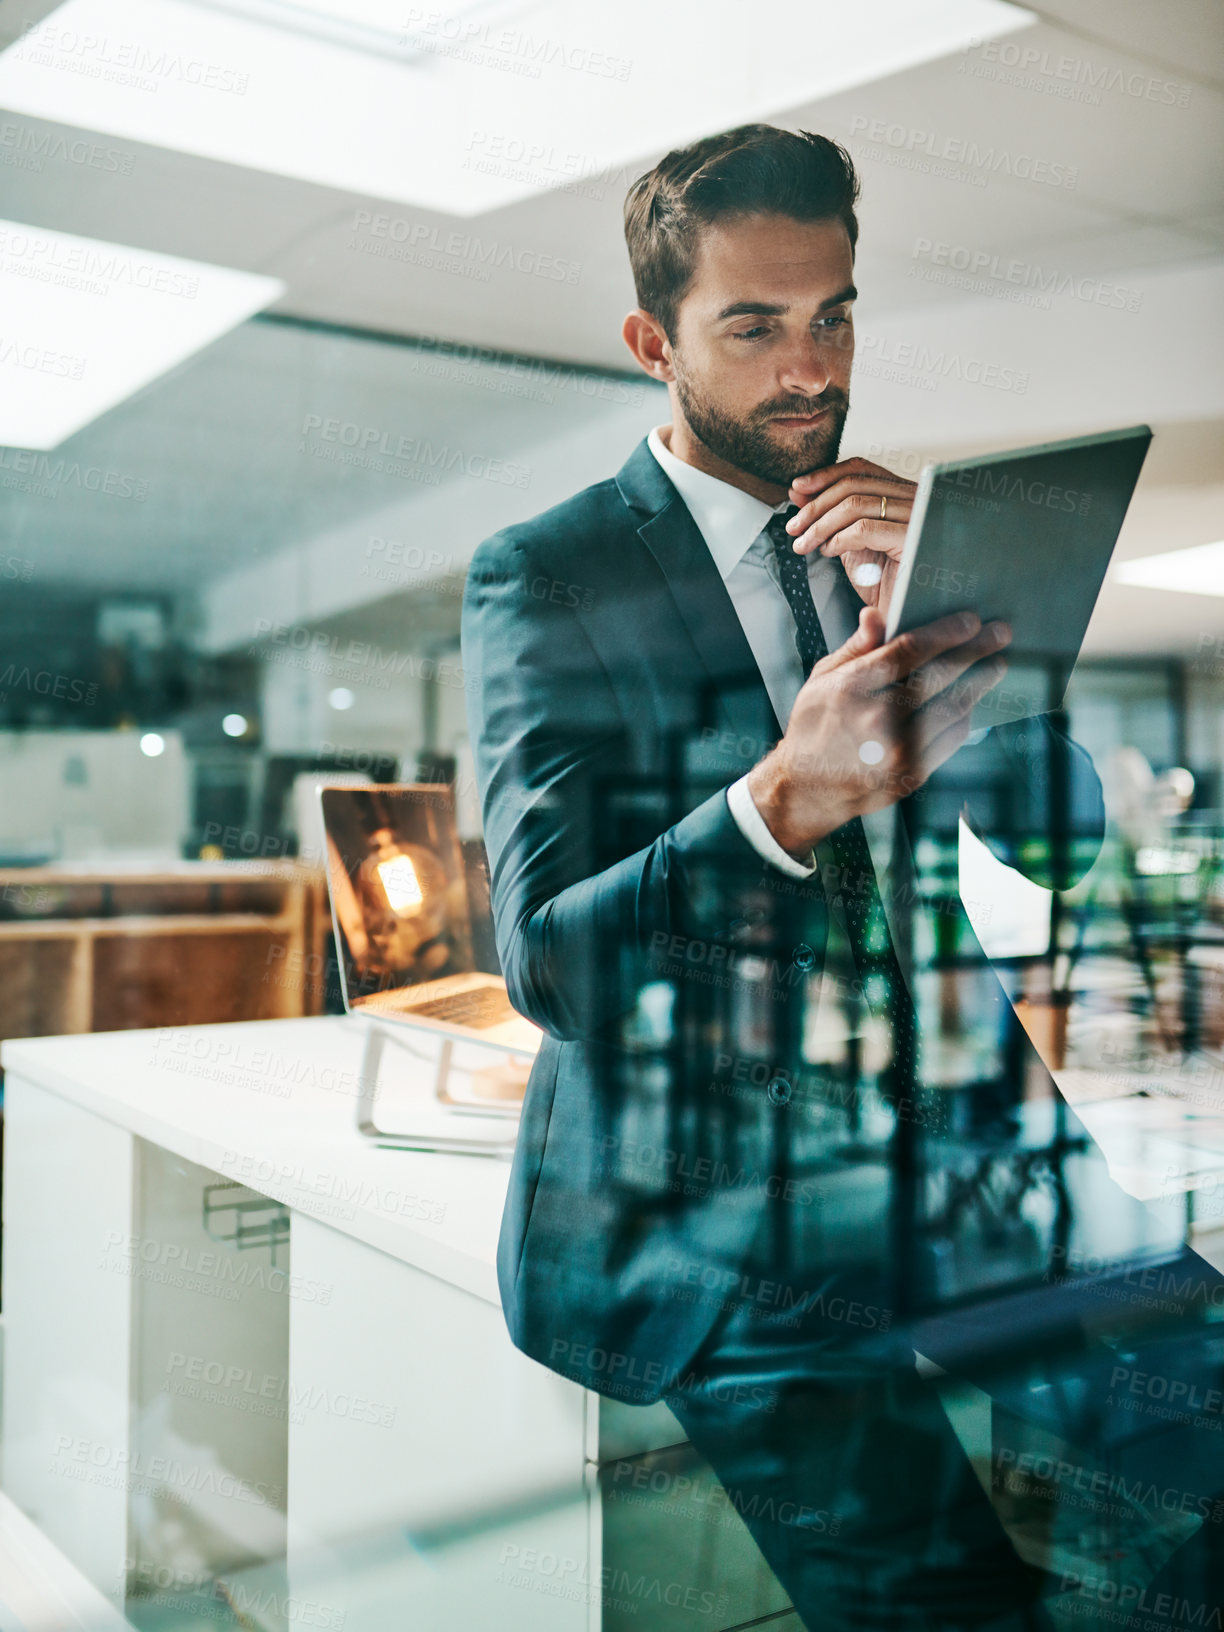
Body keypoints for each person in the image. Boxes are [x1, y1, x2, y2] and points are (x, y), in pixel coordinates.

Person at [462, 124, 1224, 1629]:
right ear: (652, 341)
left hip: (961, 1163)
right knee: (941, 1602)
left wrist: (992, 647)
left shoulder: (897, 543)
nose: (811, 367)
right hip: (719, 1227)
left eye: (837, 314)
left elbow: (1055, 854)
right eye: (753, 326)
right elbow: (549, 959)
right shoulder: (548, 572)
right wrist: (784, 795)